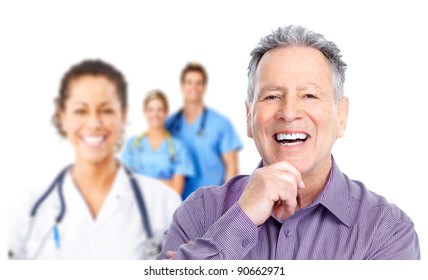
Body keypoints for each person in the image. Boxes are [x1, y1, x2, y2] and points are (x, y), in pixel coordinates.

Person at [158, 25, 420, 260]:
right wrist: (242, 218)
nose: (289, 111)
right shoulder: (200, 212)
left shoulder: (387, 231)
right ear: (249, 118)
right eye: (272, 96)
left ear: (341, 116)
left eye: (309, 95)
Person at [8, 59, 181, 259]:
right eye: (81, 111)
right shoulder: (28, 211)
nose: (94, 123)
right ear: (63, 116)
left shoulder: (165, 204)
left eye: (106, 110)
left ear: (123, 116)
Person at [165, 62, 243, 199]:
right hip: (177, 201)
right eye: (189, 82)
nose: (193, 87)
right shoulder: (170, 124)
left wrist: (224, 203)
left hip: (210, 202)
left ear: (204, 88)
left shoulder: (220, 124)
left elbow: (232, 167)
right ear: (182, 87)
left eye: (198, 83)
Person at [121, 89, 194, 195]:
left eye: (159, 110)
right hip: (138, 208)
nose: (155, 114)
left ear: (166, 112)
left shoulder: (178, 147)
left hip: (166, 208)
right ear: (144, 112)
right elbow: (125, 185)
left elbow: (176, 190)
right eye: (150, 110)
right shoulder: (132, 144)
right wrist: (164, 182)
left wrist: (141, 182)